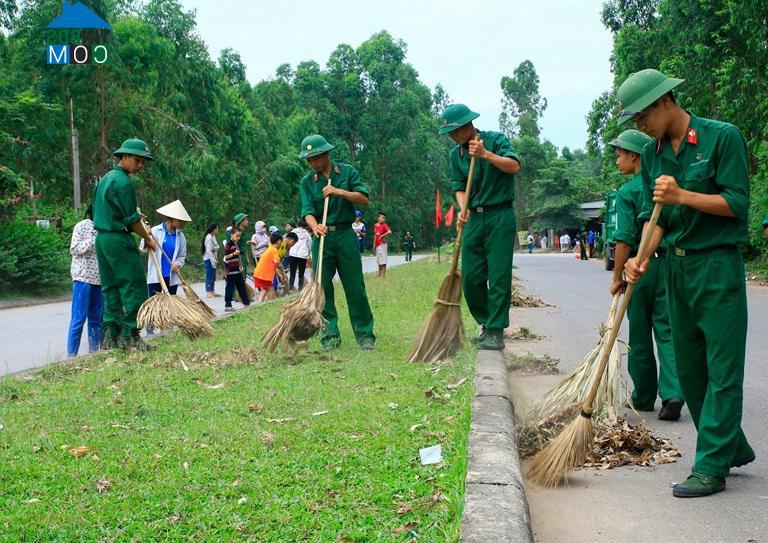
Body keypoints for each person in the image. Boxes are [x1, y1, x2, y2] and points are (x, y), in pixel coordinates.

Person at [620, 68, 755, 498]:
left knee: (723, 369)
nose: (639, 126)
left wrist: (683, 195)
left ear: (665, 101)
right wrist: (638, 262)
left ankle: (710, 465)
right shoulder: (654, 155)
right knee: (692, 372)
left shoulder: (721, 137)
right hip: (674, 269)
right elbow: (657, 220)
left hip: (716, 266)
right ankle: (729, 444)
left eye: (642, 115)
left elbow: (736, 204)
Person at [608, 129, 684, 422]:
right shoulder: (666, 186)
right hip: (667, 264)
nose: (616, 160)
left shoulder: (627, 193)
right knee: (668, 331)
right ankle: (673, 392)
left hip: (639, 269)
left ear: (634, 156)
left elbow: (624, 240)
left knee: (639, 335)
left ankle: (643, 395)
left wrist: (617, 278)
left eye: (619, 155)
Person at [440, 103, 521, 350]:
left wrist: (486, 155)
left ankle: (496, 329)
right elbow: (459, 187)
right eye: (450, 134)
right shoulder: (456, 155)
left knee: (498, 275)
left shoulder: (495, 140)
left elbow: (514, 166)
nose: (453, 137)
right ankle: (485, 322)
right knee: (472, 277)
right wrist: (462, 207)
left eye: (455, 131)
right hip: (474, 218)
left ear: (468, 125)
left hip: (500, 215)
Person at [298, 133, 376, 351]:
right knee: (322, 289)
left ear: (326, 154)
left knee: (355, 287)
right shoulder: (307, 182)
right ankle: (330, 335)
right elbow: (307, 211)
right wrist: (314, 226)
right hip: (322, 238)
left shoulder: (347, 172)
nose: (312, 162)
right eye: (309, 159)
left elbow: (364, 198)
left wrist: (338, 191)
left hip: (345, 235)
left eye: (315, 157)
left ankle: (364, 333)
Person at [92, 138, 157, 351]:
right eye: (137, 160)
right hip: (118, 239)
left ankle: (111, 337)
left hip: (102, 239)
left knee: (110, 287)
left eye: (143, 162)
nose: (140, 166)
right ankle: (131, 335)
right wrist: (147, 237)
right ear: (124, 157)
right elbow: (130, 219)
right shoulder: (123, 182)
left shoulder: (105, 179)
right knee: (134, 285)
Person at [67, 204, 103, 357]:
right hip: (82, 278)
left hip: (100, 280)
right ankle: (71, 356)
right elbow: (74, 249)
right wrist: (93, 239)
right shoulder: (82, 226)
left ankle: (93, 354)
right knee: (78, 318)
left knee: (96, 319)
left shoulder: (106, 230)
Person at [140, 200, 191, 299]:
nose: (183, 223)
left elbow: (182, 256)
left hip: (171, 278)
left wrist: (177, 264)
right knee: (155, 306)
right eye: (180, 220)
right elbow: (143, 249)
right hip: (156, 277)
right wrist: (146, 235)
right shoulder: (155, 231)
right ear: (173, 218)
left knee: (170, 308)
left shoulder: (180, 236)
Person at [255, 232, 290, 302]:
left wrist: (278, 272)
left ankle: (265, 303)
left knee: (265, 290)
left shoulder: (270, 248)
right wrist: (280, 269)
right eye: (281, 242)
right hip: (262, 275)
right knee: (269, 290)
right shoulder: (274, 250)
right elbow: (277, 262)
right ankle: (269, 303)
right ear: (279, 241)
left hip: (259, 274)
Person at [223, 227, 250, 311]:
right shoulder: (229, 244)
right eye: (237, 236)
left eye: (239, 236)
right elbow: (226, 257)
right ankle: (228, 305)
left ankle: (246, 303)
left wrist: (240, 266)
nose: (238, 238)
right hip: (231, 271)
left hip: (237, 270)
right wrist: (234, 253)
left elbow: (238, 257)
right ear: (232, 235)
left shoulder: (236, 244)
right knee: (230, 288)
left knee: (241, 287)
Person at [287, 220, 311, 290]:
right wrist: (308, 252)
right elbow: (310, 244)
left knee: (292, 273)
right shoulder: (306, 234)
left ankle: (290, 289)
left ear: (298, 224)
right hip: (302, 256)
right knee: (301, 273)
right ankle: (300, 289)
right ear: (306, 226)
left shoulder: (293, 232)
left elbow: (287, 241)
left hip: (293, 254)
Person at [202, 223, 220, 298]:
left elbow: (217, 247)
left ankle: (212, 291)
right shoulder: (208, 238)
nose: (218, 230)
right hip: (209, 259)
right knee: (209, 275)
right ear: (214, 229)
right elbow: (209, 251)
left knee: (213, 275)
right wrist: (213, 260)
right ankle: (208, 292)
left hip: (213, 258)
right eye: (217, 229)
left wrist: (215, 258)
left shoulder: (213, 237)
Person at [373, 211, 392, 277]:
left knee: (383, 259)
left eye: (384, 218)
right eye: (382, 218)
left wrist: (383, 235)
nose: (384, 219)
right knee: (379, 260)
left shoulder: (384, 225)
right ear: (378, 218)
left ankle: (383, 275)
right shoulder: (375, 225)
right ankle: (379, 273)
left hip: (382, 244)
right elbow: (375, 235)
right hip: (377, 245)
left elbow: (389, 232)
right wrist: (374, 245)